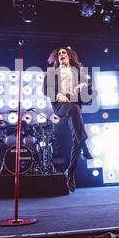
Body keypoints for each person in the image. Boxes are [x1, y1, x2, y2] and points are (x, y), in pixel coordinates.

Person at [43, 47, 94, 192]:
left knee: (76, 139)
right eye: (59, 54)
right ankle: (85, 145)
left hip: (75, 107)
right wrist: (58, 95)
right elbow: (46, 89)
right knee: (73, 108)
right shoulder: (52, 73)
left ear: (70, 56)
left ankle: (70, 173)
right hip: (60, 106)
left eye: (64, 53)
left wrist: (84, 86)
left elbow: (89, 88)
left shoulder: (78, 72)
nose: (61, 55)